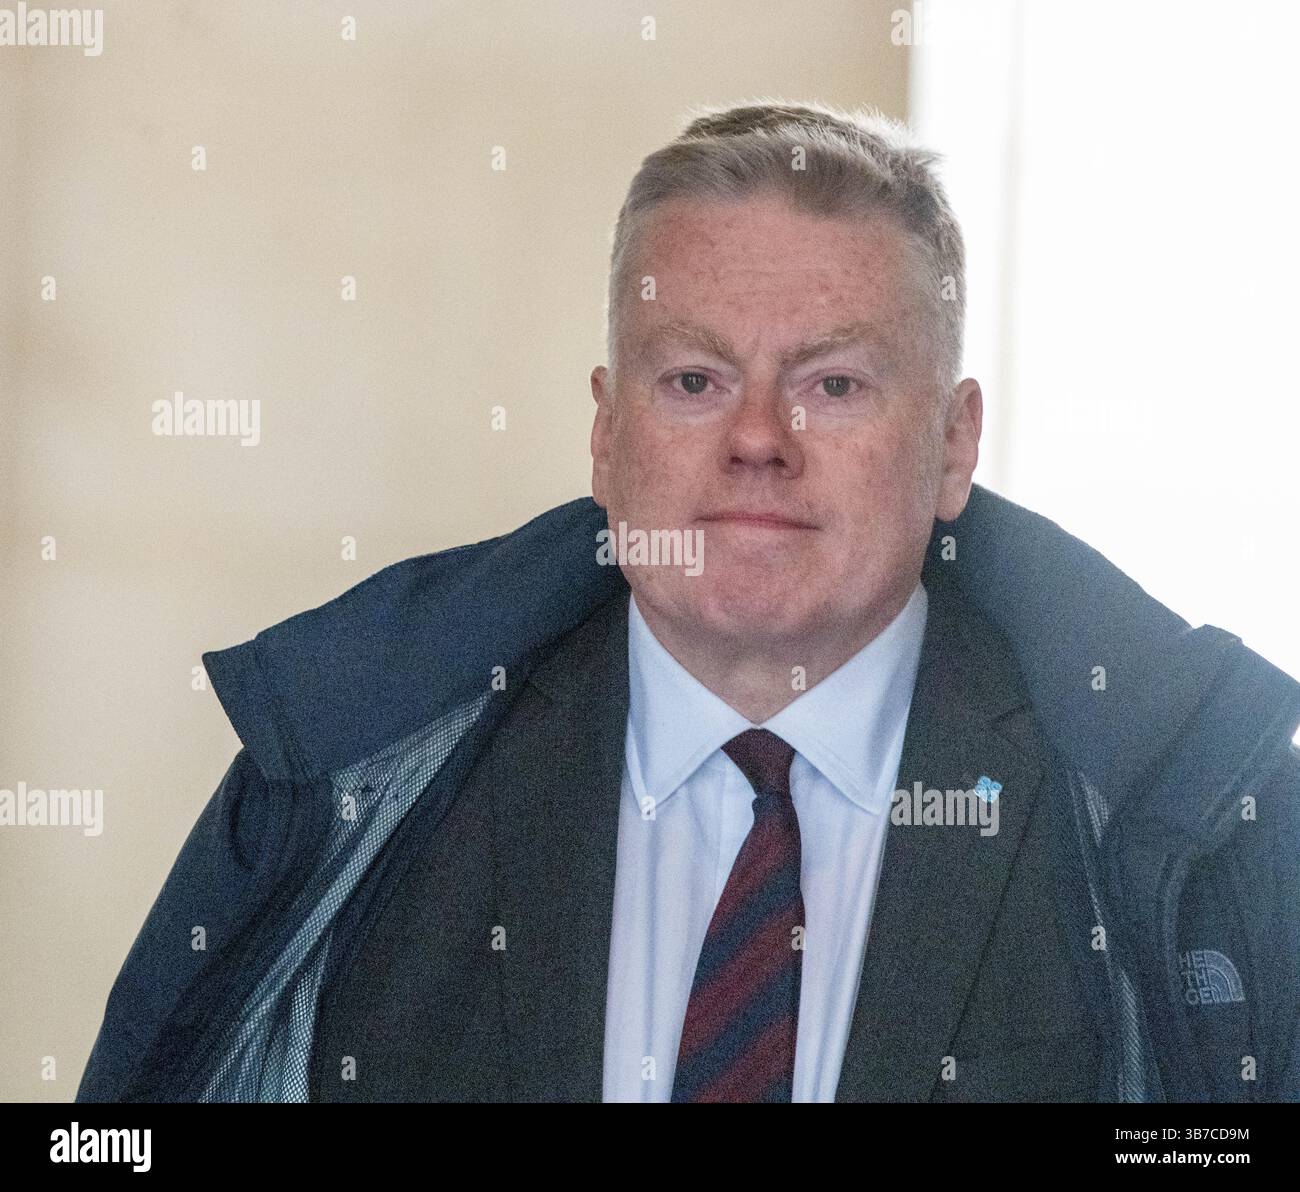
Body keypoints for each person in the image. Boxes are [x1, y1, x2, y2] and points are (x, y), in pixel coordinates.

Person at [78, 101, 1300, 1103]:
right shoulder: (349, 783)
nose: (759, 438)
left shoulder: (1199, 825)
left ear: (952, 445)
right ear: (607, 435)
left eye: (831, 381)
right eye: (696, 378)